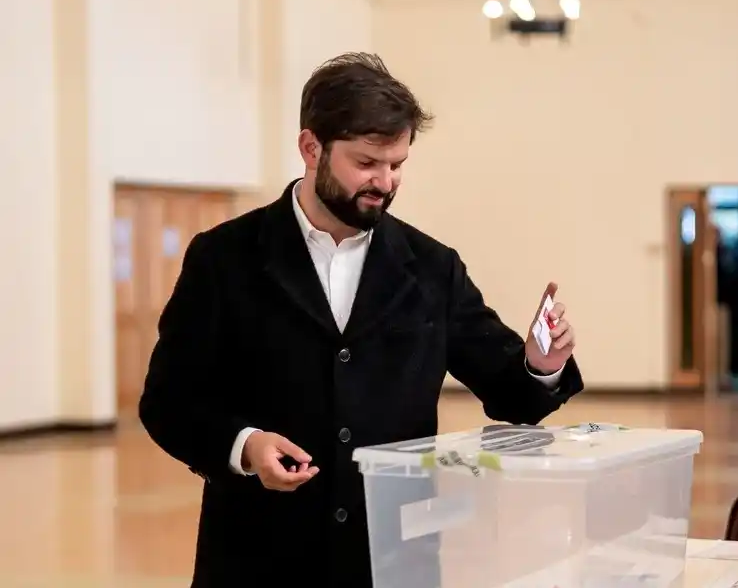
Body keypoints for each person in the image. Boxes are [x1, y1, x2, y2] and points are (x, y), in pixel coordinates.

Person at [138, 52, 584, 587]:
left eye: (397, 165)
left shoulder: (433, 268)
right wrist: (246, 445)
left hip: (393, 558)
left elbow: (511, 392)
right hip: (259, 556)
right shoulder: (224, 257)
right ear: (311, 148)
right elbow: (168, 400)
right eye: (367, 163)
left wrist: (541, 364)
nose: (385, 182)